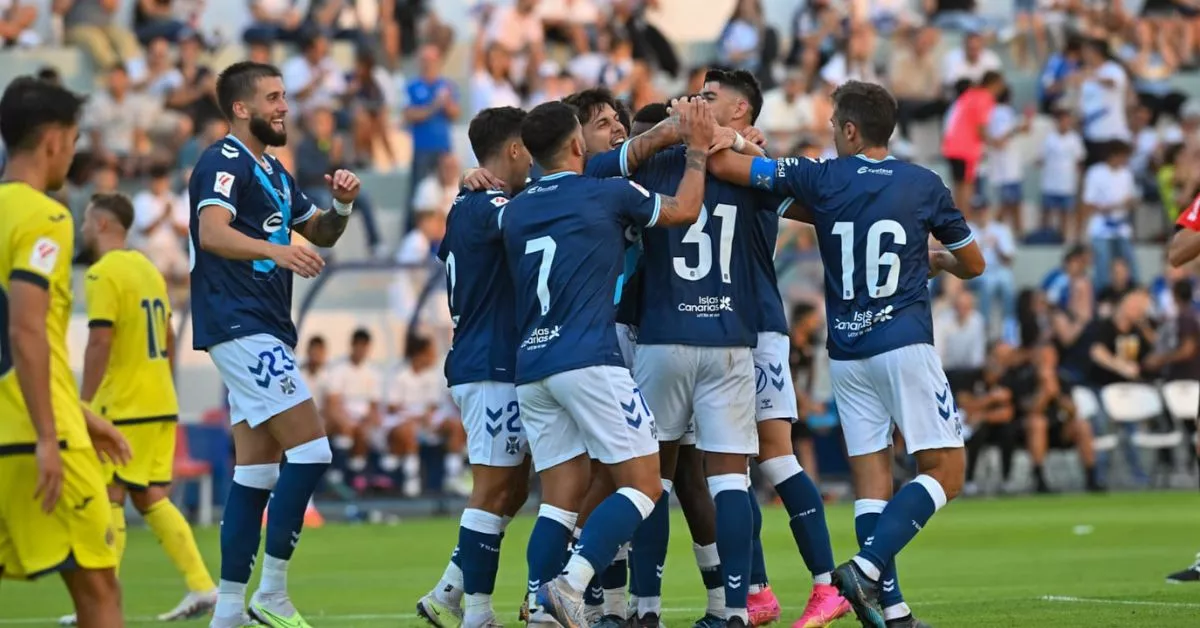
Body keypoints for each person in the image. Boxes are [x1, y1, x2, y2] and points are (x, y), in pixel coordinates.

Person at [707, 80, 986, 628]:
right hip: (904, 341)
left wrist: (735, 145)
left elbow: (736, 173)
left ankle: (895, 611)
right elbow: (972, 262)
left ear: (851, 130)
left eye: (835, 125)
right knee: (948, 471)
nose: (832, 132)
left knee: (872, 483)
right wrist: (939, 261)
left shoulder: (823, 176)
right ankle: (867, 566)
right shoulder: (923, 184)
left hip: (849, 352)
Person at [506, 99, 710, 628]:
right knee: (643, 484)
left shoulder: (517, 208)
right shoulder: (606, 193)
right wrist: (697, 154)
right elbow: (685, 211)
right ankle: (569, 586)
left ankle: (540, 614)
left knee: (559, 501)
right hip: (589, 359)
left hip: (532, 366)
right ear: (577, 145)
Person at [187, 61, 361, 628]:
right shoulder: (222, 160)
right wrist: (278, 250)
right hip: (239, 325)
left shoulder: (277, 173)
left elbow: (321, 235)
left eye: (284, 95)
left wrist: (340, 205)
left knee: (255, 473)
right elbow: (211, 232)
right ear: (242, 109)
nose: (284, 106)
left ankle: (231, 609)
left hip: (262, 326)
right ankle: (274, 593)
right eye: (273, 97)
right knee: (312, 452)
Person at [0, 76, 131, 627]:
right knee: (100, 591)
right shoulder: (45, 216)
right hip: (35, 432)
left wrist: (82, 414)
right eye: (75, 140)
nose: (73, 153)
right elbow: (25, 330)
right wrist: (54, 434)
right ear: (53, 140)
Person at [60, 193, 218, 627]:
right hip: (159, 401)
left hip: (123, 406)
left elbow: (100, 340)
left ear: (105, 225)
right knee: (147, 496)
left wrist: (86, 403)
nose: (85, 229)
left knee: (108, 496)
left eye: (89, 221)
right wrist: (159, 385)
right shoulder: (147, 268)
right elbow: (167, 335)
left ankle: (98, 603)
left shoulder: (102, 272)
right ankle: (201, 584)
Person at [417, 106, 534, 628]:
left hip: (491, 359)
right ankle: (477, 614)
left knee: (512, 485)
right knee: (491, 487)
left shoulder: (471, 204)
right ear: (513, 149)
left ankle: (449, 590)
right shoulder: (489, 206)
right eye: (531, 146)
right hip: (490, 363)